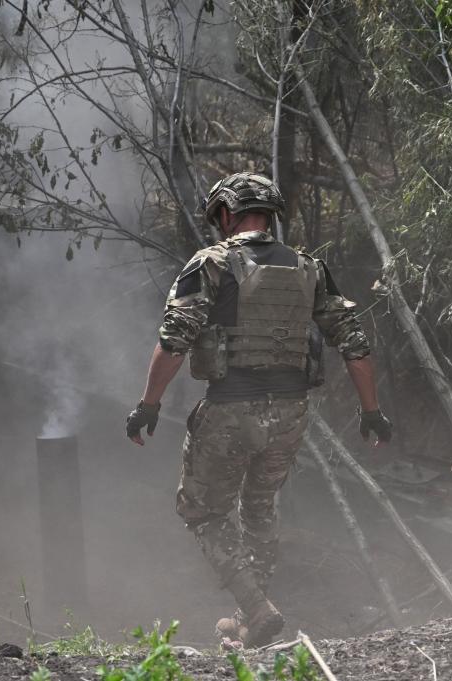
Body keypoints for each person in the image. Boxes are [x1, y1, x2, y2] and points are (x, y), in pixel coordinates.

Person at [125, 172, 392, 648]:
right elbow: (355, 344)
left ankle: (255, 608)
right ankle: (251, 620)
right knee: (260, 505)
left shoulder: (211, 264)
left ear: (225, 214)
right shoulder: (310, 268)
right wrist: (371, 412)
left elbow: (173, 342)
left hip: (230, 408)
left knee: (203, 512)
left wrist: (148, 404)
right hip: (290, 413)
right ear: (271, 217)